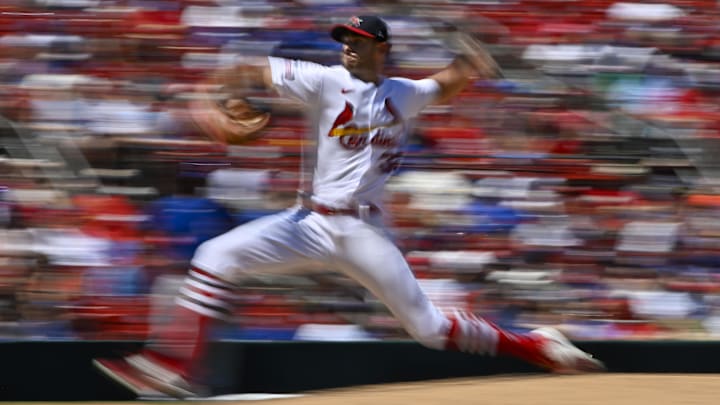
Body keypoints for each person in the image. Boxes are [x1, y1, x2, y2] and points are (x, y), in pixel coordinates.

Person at [93, 15, 604, 398]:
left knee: (427, 329)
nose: (348, 48)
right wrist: (214, 100)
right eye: (345, 40)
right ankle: (172, 366)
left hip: (365, 233)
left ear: (380, 48)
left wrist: (470, 64)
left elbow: (443, 85)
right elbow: (245, 69)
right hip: (309, 221)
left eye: (358, 41)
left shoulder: (404, 92)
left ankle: (538, 346)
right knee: (214, 256)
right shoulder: (323, 80)